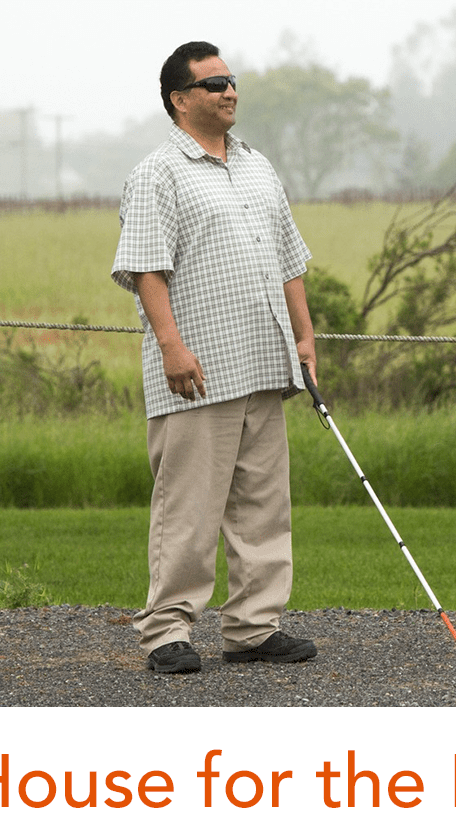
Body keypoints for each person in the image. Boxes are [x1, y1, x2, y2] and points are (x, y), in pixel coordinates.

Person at [111, 41, 320, 674]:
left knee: (262, 505)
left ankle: (254, 628)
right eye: (213, 84)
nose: (229, 92)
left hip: (265, 363)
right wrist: (171, 345)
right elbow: (146, 267)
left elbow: (289, 262)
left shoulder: (258, 167)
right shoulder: (158, 173)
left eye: (231, 81)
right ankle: (167, 631)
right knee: (189, 510)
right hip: (197, 372)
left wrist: (305, 339)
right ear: (180, 100)